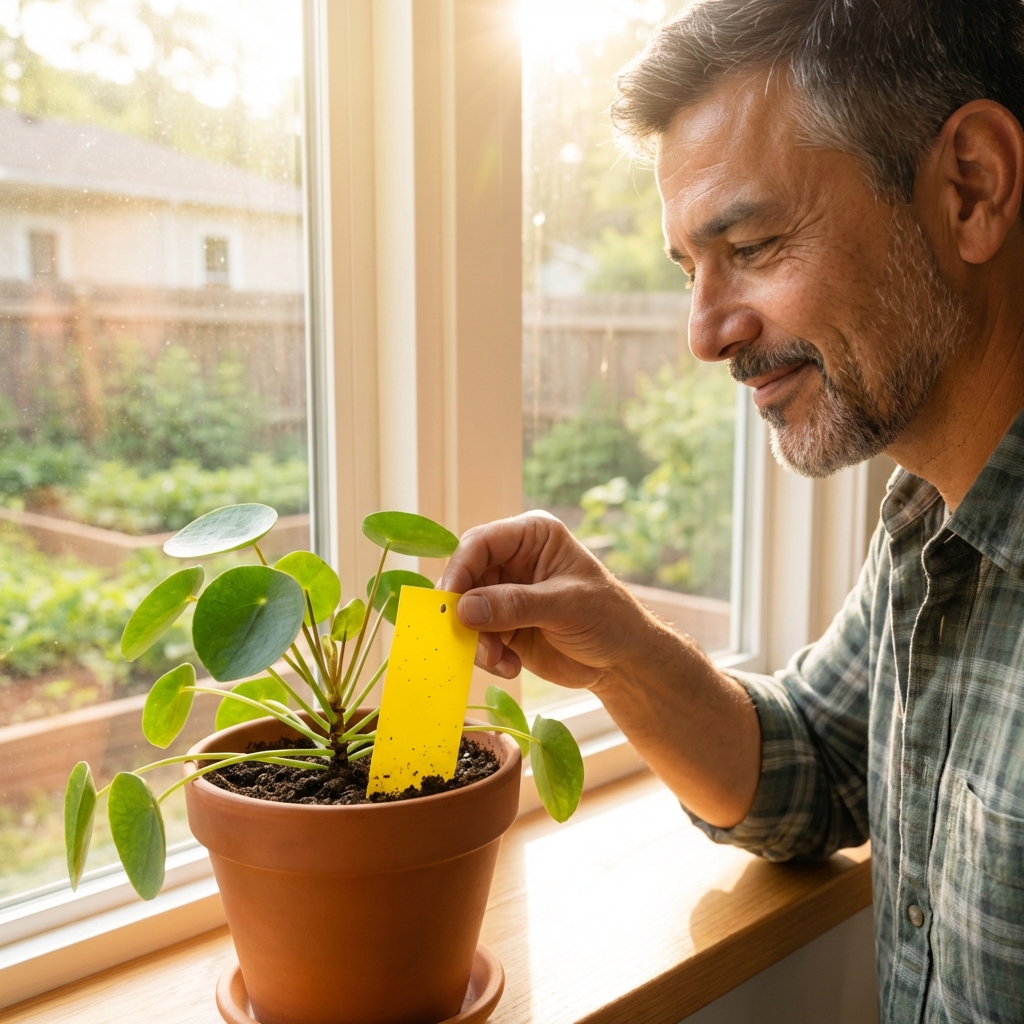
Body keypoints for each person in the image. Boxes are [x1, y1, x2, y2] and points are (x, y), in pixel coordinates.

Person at [440, 2, 1024, 1021]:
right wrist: (620, 651)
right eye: (688, 269)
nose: (703, 334)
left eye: (750, 244)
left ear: (970, 187)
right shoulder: (928, 520)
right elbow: (818, 764)